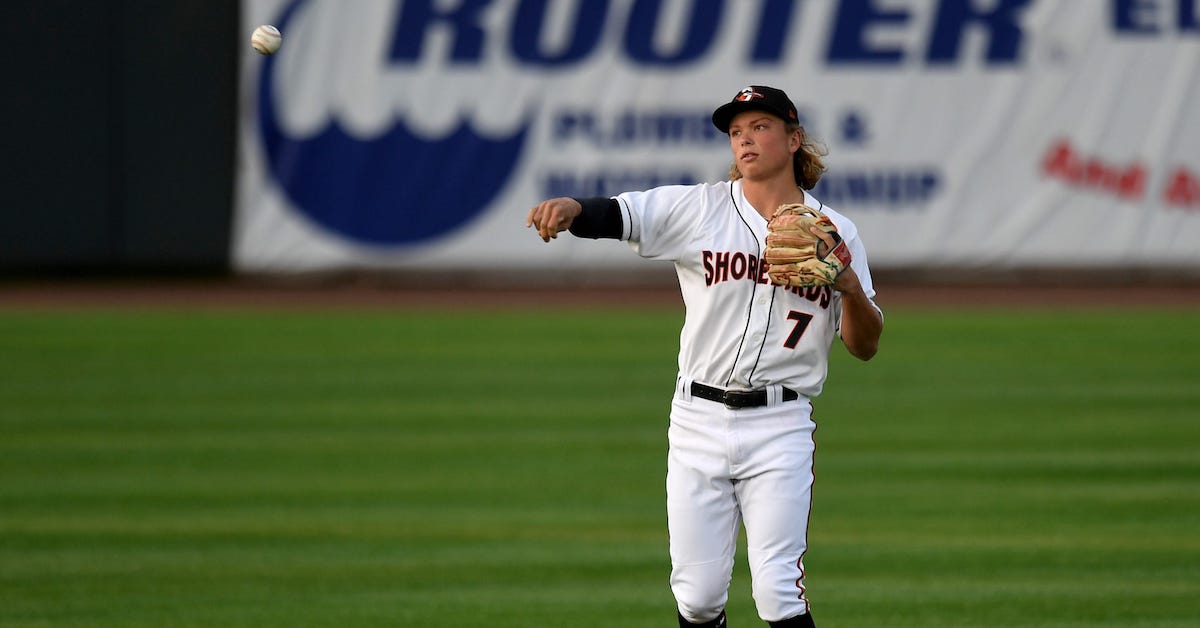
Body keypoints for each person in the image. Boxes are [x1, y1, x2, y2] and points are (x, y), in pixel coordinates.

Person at [525, 85, 883, 627]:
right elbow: (621, 214)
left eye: (760, 127)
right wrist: (573, 208)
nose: (745, 139)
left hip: (780, 425)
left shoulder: (836, 231)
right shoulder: (700, 209)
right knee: (696, 598)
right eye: (736, 132)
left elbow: (865, 345)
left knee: (779, 592)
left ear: (794, 139)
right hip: (697, 421)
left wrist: (850, 285)